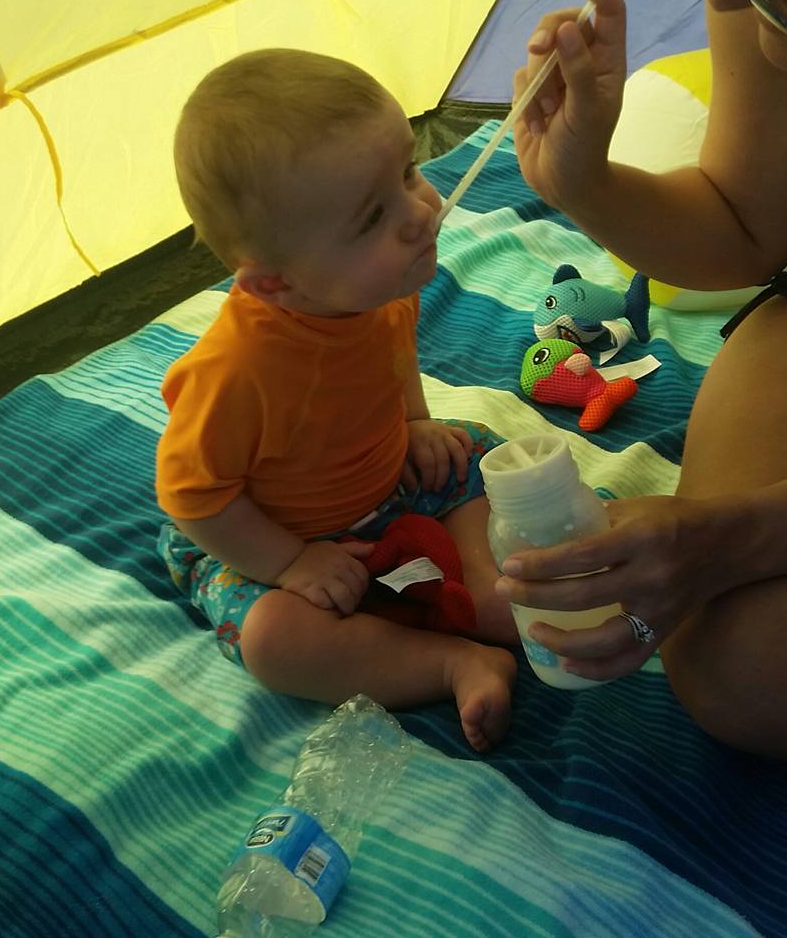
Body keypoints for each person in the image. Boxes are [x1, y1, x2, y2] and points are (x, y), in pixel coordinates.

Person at [499, 0, 787, 768]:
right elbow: (741, 223)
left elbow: (745, 539)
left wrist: (743, 535)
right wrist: (583, 181)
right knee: (752, 669)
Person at [155, 49, 517, 753]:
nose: (421, 211)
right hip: (269, 535)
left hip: (387, 483)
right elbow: (192, 497)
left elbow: (396, 359)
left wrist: (416, 424)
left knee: (475, 451)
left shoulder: (381, 285)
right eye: (372, 218)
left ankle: (480, 586)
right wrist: (291, 563)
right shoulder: (237, 370)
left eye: (408, 170)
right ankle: (451, 661)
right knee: (272, 640)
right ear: (276, 284)